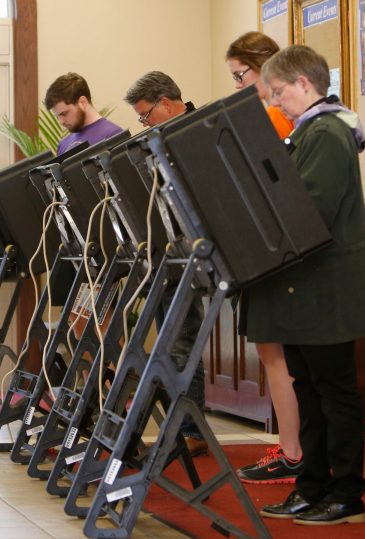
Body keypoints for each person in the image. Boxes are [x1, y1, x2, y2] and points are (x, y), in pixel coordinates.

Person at [246, 45, 365, 526]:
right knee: (309, 390)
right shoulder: (311, 131)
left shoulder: (326, 131)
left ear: (305, 84)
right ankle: (312, 487)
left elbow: (310, 211)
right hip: (307, 287)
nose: (277, 103)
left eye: (280, 92)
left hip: (328, 290)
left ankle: (346, 493)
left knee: (334, 393)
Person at [225, 31, 302, 485]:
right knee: (280, 359)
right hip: (271, 249)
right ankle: (293, 448)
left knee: (278, 360)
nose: (238, 86)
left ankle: (292, 451)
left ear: (266, 66)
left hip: (272, 251)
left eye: (241, 75)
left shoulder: (274, 116)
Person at [123, 71, 207, 457]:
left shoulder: (197, 131)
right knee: (170, 337)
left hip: (193, 251)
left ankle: (191, 429)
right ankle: (180, 424)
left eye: (145, 115)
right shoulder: (154, 141)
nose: (143, 124)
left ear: (166, 104)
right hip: (162, 251)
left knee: (183, 338)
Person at [44, 72, 123, 155]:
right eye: (57, 116)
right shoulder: (63, 145)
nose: (61, 122)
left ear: (82, 102)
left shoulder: (113, 135)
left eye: (64, 114)